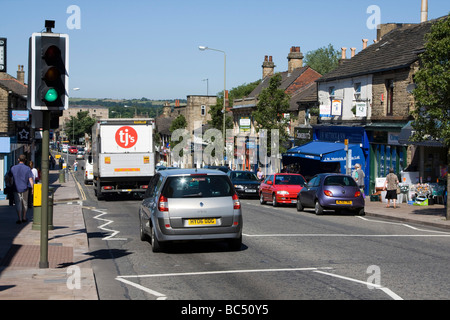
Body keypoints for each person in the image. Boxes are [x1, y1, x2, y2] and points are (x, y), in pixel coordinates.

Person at [10, 155, 34, 224]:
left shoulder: (13, 168)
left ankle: (19, 218)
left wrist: (11, 184)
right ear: (25, 160)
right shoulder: (27, 168)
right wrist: (32, 188)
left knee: (18, 203)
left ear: (18, 159)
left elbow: (9, 177)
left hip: (16, 188)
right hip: (25, 188)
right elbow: (30, 179)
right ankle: (24, 217)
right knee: (25, 203)